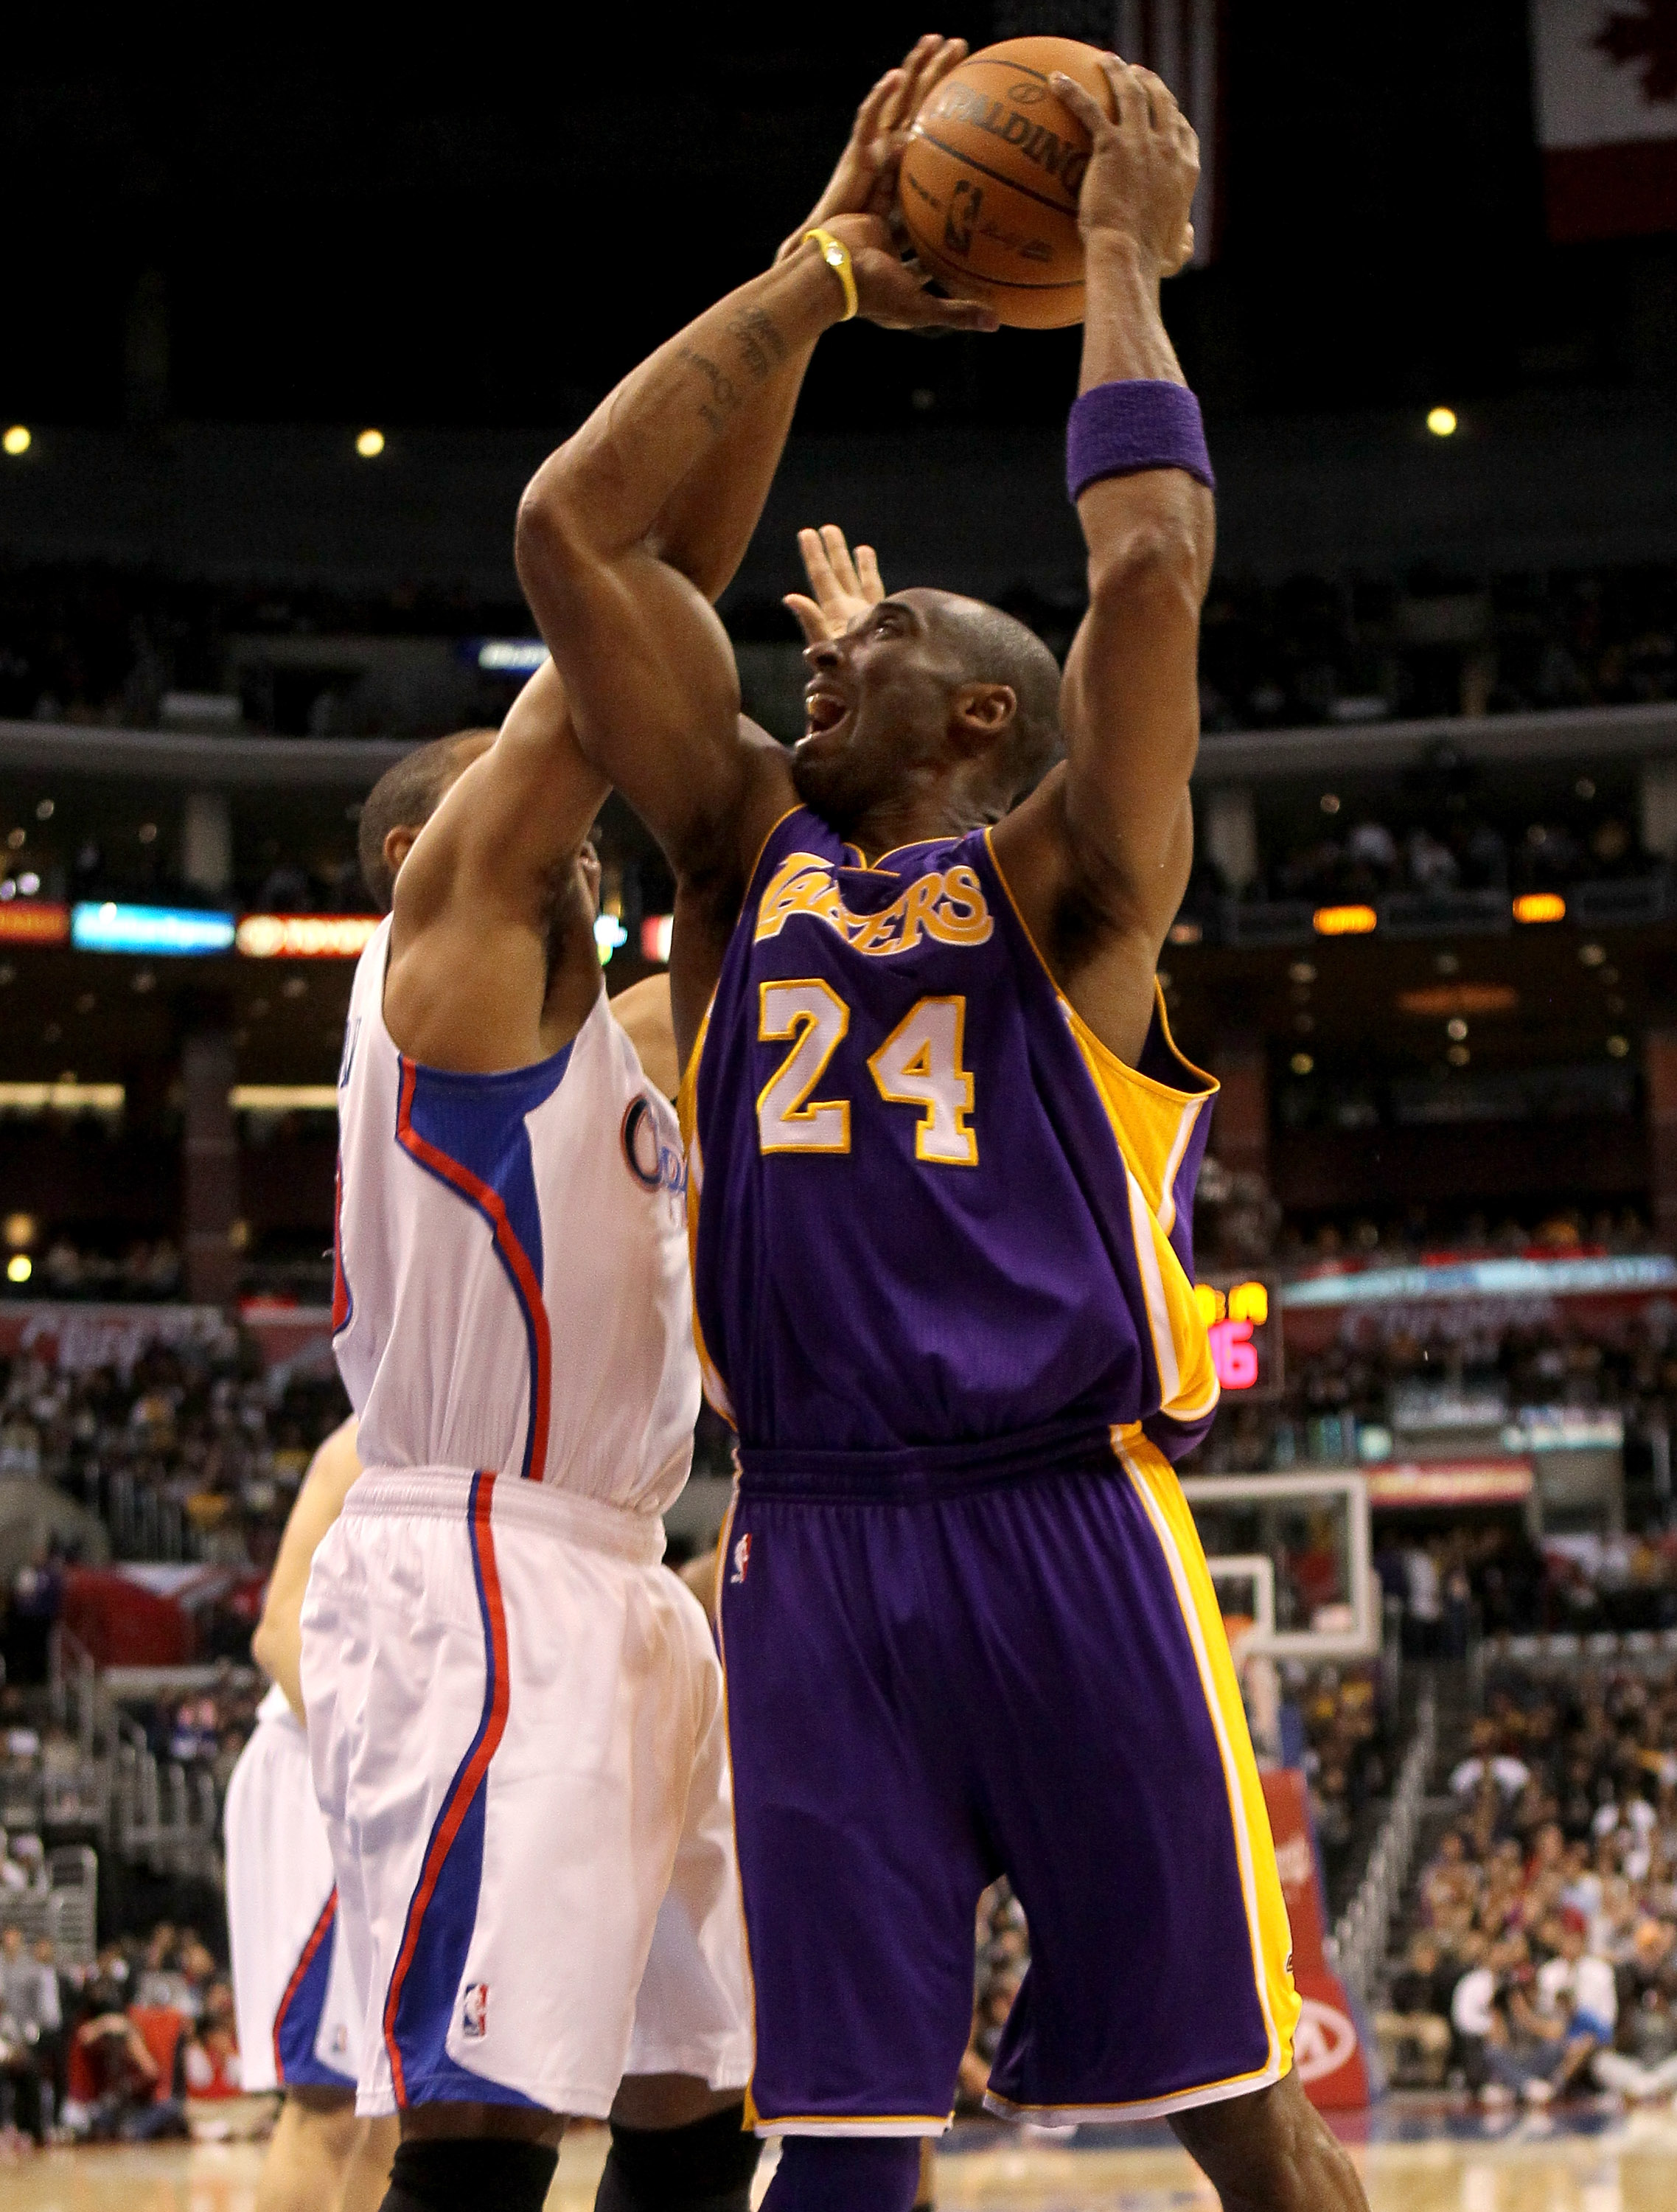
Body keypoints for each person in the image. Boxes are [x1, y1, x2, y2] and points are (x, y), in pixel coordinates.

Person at [516, 38, 1364, 2212]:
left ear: (985, 709)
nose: (821, 646)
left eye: (877, 634)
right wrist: (812, 269)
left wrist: (1115, 260)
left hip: (1064, 1520)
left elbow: (1149, 575)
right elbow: (573, 528)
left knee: (1240, 2116)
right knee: (840, 2141)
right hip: (809, 1539)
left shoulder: (1073, 884)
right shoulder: (739, 856)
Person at [226, 1416, 398, 2212]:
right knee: (329, 2101)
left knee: (389, 2108)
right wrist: (369, 1764)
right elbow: (276, 1633)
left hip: (384, 1775)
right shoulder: (364, 1437)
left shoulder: (470, 1421)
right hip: (321, 1769)